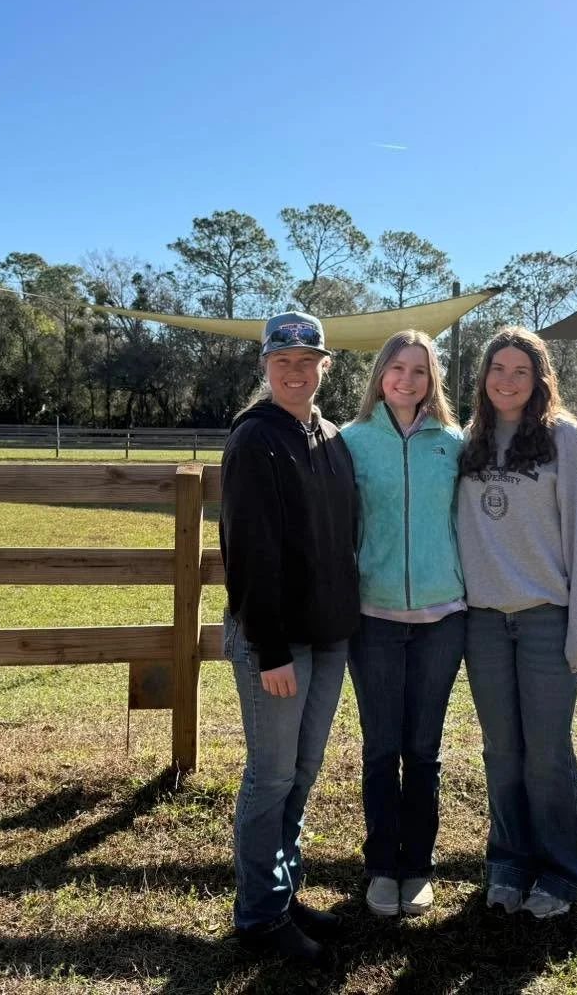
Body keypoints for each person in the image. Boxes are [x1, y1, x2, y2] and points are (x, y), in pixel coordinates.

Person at [220, 311, 360, 962]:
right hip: (276, 644)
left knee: (302, 774)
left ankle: (283, 890)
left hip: (327, 637)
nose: (296, 372)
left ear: (324, 367)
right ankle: (258, 915)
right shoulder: (255, 440)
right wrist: (271, 649)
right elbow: (249, 552)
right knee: (272, 776)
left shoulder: (329, 438)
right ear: (266, 368)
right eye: (284, 363)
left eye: (308, 362)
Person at [457, 325, 577, 920]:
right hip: (485, 623)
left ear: (540, 378)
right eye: (498, 369)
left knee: (546, 752)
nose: (507, 381)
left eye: (521, 371)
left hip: (547, 619)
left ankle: (563, 871)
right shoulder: (469, 440)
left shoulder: (564, 440)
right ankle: (509, 863)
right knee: (502, 751)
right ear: (484, 377)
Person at [340, 330, 466, 918]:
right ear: (379, 375)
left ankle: (417, 866)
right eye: (397, 368)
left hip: (443, 619)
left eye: (419, 370)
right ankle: (380, 868)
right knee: (380, 747)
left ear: (432, 379)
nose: (407, 380)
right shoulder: (351, 442)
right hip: (375, 619)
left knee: (423, 750)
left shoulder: (456, 443)